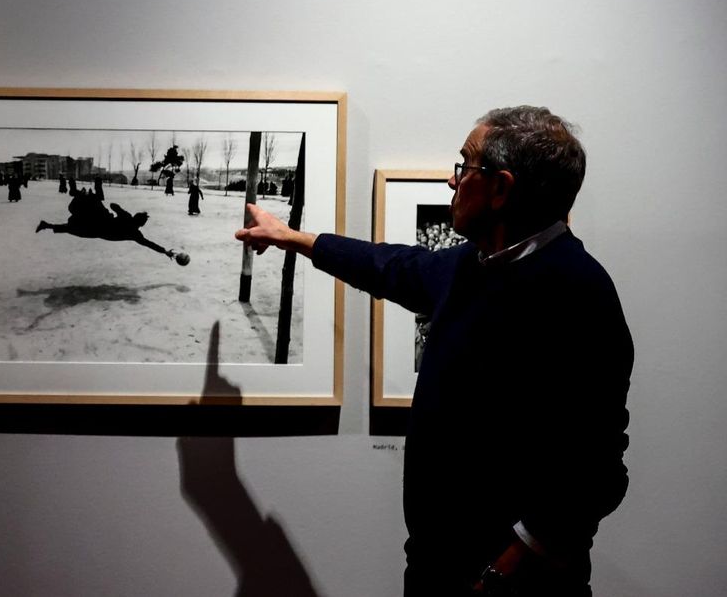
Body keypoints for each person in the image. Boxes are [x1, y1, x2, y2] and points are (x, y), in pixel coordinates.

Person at [235, 106, 632, 597]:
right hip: (435, 568)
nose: (452, 179)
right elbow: (390, 266)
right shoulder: (474, 263)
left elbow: (598, 469)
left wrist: (508, 566)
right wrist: (293, 238)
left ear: (501, 189)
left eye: (465, 165)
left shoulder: (578, 291)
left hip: (515, 586)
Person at [36, 190, 181, 261]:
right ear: (141, 224)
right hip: (98, 227)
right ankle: (48, 224)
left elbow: (113, 205)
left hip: (99, 225)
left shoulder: (128, 218)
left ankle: (47, 224)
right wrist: (164, 251)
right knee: (72, 227)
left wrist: (120, 210)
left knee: (73, 226)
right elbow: (149, 244)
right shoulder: (135, 234)